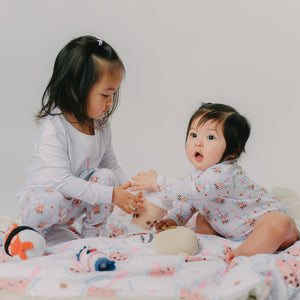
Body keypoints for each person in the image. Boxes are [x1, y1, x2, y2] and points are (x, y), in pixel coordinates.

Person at [11, 35, 144, 250]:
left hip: (71, 206)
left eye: (114, 93)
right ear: (73, 89)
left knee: (107, 177)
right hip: (41, 204)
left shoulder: (100, 125)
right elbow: (62, 182)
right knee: (52, 201)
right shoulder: (54, 129)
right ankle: (26, 230)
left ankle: (90, 238)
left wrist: (131, 192)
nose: (110, 102)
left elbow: (111, 164)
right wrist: (112, 195)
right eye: (105, 94)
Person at [131, 102, 298, 263]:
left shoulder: (225, 174)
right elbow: (190, 201)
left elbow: (194, 191)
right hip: (232, 230)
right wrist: (175, 219)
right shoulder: (196, 176)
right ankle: (212, 245)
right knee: (203, 217)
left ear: (233, 150)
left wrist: (157, 182)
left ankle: (245, 253)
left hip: (267, 225)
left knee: (277, 222)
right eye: (193, 134)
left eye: (210, 137)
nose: (198, 142)